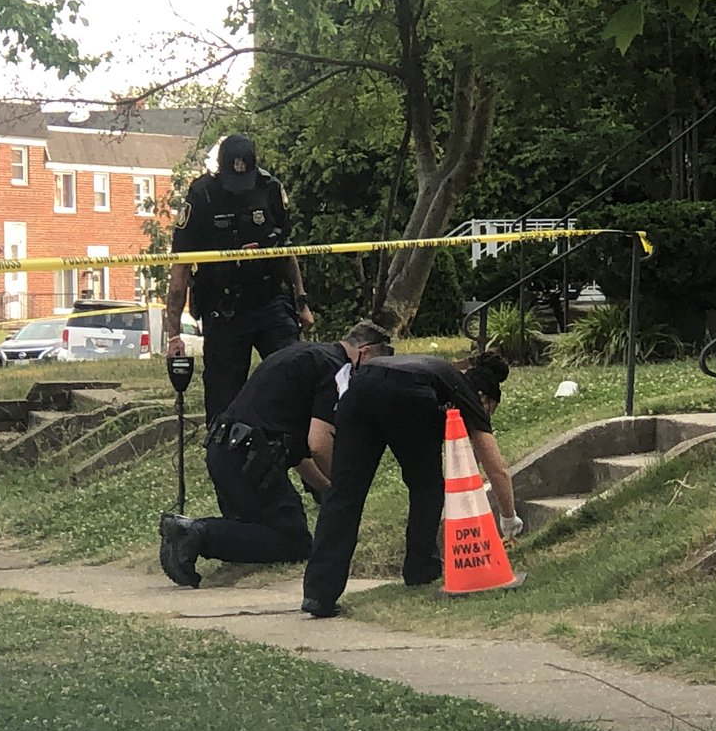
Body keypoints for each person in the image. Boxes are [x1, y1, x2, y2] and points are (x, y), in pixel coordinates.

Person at [159, 320, 394, 588]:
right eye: (376, 367)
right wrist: (345, 488)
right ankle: (194, 533)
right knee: (294, 540)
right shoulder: (336, 370)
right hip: (250, 459)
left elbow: (298, 453)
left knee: (259, 528)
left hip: (224, 452)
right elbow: (319, 443)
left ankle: (194, 534)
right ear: (364, 353)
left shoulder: (304, 354)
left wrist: (327, 489)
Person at [301, 350, 524, 618]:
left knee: (343, 494)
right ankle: (421, 570)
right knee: (426, 487)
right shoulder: (466, 391)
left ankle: (319, 593)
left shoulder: (442, 372)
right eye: (488, 411)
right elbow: (496, 468)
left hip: (360, 389)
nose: (484, 416)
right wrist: (509, 517)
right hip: (409, 394)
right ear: (484, 398)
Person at [166, 133, 315, 427]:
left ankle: (297, 449)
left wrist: (301, 302)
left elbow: (287, 250)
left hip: (270, 301)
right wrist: (173, 335)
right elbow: (180, 266)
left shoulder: (270, 188)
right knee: (224, 403)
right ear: (220, 168)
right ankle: (227, 460)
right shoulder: (202, 195)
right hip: (224, 310)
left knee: (296, 376)